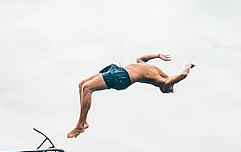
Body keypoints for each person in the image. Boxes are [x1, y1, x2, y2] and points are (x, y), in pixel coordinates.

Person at [67, 53, 195, 137]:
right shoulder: (153, 69)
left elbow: (183, 75)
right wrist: (158, 55)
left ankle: (81, 124)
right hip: (118, 70)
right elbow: (141, 59)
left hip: (123, 77)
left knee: (87, 88)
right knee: (82, 84)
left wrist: (188, 66)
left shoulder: (164, 81)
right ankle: (82, 122)